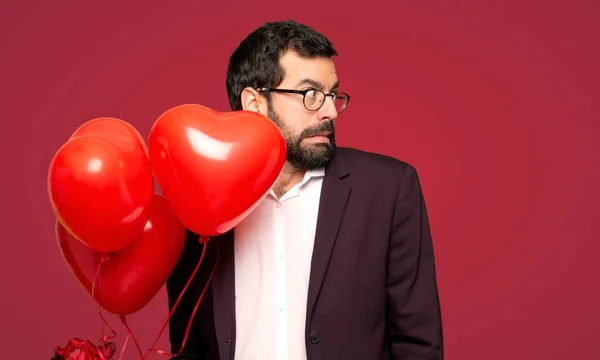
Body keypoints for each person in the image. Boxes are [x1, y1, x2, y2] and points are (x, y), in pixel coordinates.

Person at [166, 20, 444, 360]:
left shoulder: (388, 190)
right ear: (254, 103)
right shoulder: (199, 202)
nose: (329, 112)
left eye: (333, 95)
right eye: (310, 95)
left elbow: (418, 344)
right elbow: (188, 345)